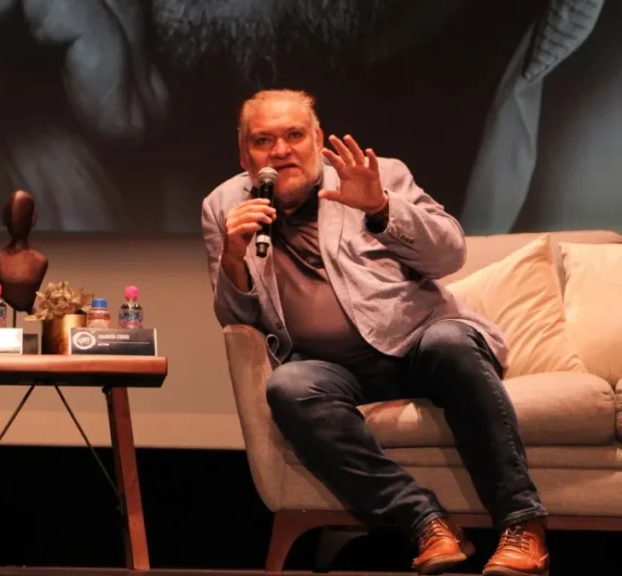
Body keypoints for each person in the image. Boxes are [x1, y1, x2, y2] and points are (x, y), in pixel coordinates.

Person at [201, 90, 549, 576]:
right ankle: (426, 523)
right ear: (244, 155)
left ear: (317, 140)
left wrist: (383, 209)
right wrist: (234, 257)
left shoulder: (378, 175)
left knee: (452, 343)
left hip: (417, 344)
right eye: (263, 140)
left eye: (294, 135)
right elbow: (235, 316)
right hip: (333, 371)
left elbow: (449, 254)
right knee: (288, 387)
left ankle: (522, 525)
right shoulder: (223, 205)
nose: (280, 151)